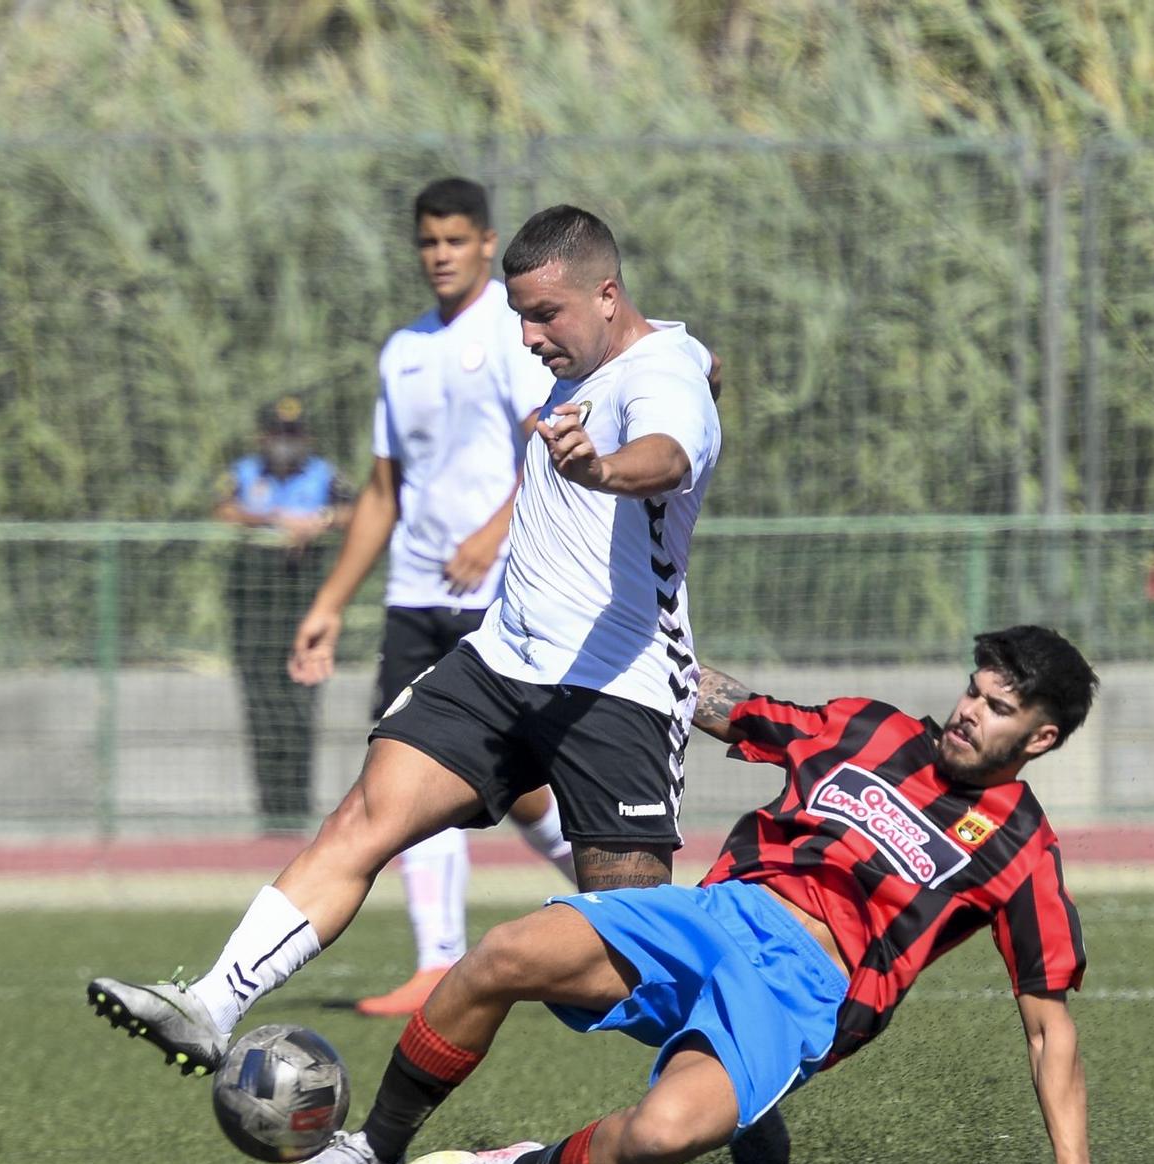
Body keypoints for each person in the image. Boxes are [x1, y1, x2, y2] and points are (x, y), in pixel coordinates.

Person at [88, 204, 723, 1083]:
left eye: (548, 316)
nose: (532, 337)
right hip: (501, 663)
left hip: (616, 691)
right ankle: (212, 1003)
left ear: (607, 295)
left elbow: (668, 452)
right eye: (521, 318)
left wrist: (603, 470)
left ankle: (732, 1073)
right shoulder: (617, 359)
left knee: (629, 946)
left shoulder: (662, 379)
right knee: (364, 817)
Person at [265, 627, 1154, 1164]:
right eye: (974, 690)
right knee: (501, 955)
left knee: (662, 1136)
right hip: (716, 914)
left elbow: (1049, 1028)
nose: (969, 712)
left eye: (998, 709)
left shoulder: (1023, 850)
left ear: (1039, 739)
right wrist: (624, 645)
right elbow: (731, 707)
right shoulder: (871, 730)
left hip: (802, 995)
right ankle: (372, 1152)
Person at [286, 177, 573, 1016]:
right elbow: (382, 491)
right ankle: (434, 961)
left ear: (487, 243)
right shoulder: (402, 350)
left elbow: (549, 448)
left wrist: (493, 532)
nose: (440, 255)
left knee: (523, 787)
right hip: (416, 597)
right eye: (427, 242)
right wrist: (333, 600)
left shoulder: (513, 332)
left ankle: (628, 910)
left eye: (455, 240)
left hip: (503, 591)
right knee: (411, 767)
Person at [215, 395, 351, 833]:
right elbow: (223, 511)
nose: (286, 445)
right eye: (278, 436)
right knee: (262, 706)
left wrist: (319, 521)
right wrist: (273, 520)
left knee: (300, 705)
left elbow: (361, 510)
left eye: (294, 436)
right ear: (262, 438)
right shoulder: (244, 474)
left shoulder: (325, 476)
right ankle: (270, 813)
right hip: (255, 603)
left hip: (303, 596)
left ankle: (295, 809)